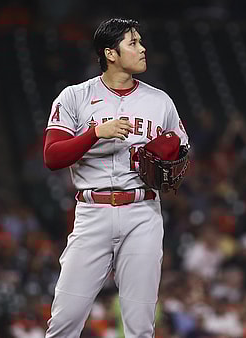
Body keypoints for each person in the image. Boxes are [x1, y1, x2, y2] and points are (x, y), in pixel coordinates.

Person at [42, 18, 189, 337]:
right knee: (65, 321)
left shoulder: (160, 101)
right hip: (92, 213)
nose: (142, 48)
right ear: (110, 53)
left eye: (140, 41)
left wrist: (168, 156)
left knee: (140, 325)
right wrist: (95, 133)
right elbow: (52, 157)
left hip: (142, 212)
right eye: (133, 43)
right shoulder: (75, 97)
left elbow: (180, 153)